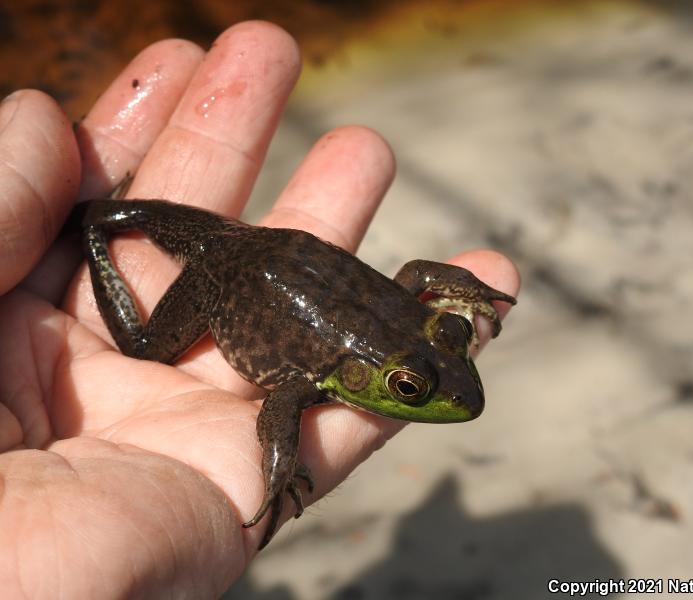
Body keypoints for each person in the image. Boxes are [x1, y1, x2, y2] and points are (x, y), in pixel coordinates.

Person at [0, 21, 519, 597]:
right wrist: (278, 473)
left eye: (444, 332)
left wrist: (466, 294)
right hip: (227, 272)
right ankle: (96, 234)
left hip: (265, 245)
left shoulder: (391, 320)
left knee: (118, 218)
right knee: (144, 347)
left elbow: (412, 282)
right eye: (406, 387)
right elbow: (282, 408)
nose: (445, 331)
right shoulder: (336, 363)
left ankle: (102, 218)